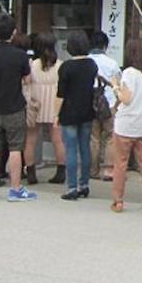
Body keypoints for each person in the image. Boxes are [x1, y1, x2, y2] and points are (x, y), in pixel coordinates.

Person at [0, 13, 35, 202]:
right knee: (15, 149)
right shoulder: (20, 55)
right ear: (14, 32)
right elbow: (27, 80)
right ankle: (15, 189)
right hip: (15, 107)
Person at [111, 38, 142, 213]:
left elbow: (126, 99)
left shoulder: (129, 73)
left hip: (126, 124)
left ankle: (118, 201)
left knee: (121, 163)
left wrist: (115, 87)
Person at [55, 30, 98, 201]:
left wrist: (55, 115)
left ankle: (72, 187)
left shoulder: (66, 67)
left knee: (71, 149)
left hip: (69, 111)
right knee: (85, 148)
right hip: (87, 111)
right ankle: (84, 185)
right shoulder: (92, 65)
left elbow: (61, 94)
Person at [22, 32, 66, 186]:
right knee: (58, 140)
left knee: (30, 141)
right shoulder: (61, 65)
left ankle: (31, 173)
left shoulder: (31, 65)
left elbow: (26, 83)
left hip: (35, 104)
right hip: (54, 105)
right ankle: (61, 172)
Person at [88, 30, 120, 181]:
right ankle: (108, 170)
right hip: (109, 103)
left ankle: (93, 170)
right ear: (105, 46)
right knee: (110, 137)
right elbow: (118, 84)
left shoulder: (86, 61)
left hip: (91, 103)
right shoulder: (112, 63)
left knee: (93, 138)